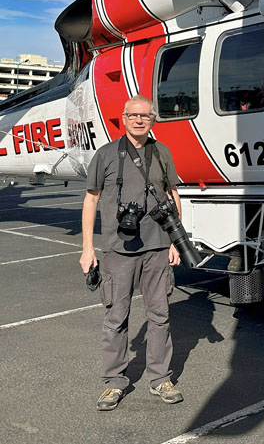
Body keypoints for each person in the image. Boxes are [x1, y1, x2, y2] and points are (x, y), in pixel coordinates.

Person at [80, 95, 183, 411]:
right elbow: (91, 199)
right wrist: (87, 249)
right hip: (117, 250)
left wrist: (176, 241)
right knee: (115, 318)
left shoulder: (162, 152)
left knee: (160, 315)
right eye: (133, 115)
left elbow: (172, 193)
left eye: (145, 116)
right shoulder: (107, 154)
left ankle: (160, 378)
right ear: (123, 118)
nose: (139, 120)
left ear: (152, 119)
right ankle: (114, 383)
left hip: (156, 247)